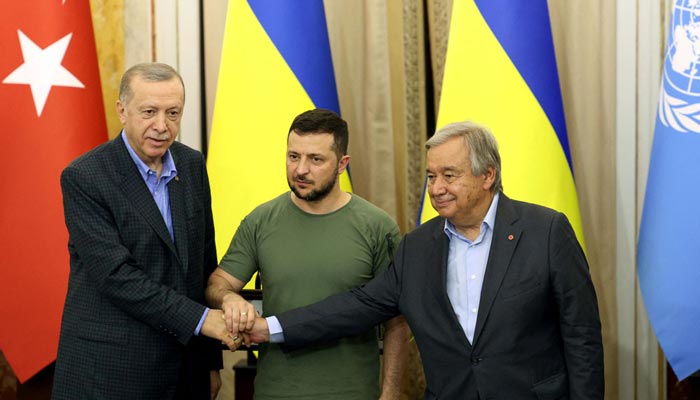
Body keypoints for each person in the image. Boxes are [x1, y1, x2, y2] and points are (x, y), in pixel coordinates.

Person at [242, 121, 605, 399]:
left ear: (487, 175)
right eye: (431, 176)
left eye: (450, 176)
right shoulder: (418, 247)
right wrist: (269, 328)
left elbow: (582, 337)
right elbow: (357, 305)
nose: (436, 188)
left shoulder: (545, 232)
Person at [52, 62, 238, 400]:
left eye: (173, 113)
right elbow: (117, 276)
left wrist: (210, 361)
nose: (161, 126)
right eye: (149, 112)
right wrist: (201, 320)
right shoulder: (85, 177)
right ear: (122, 111)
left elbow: (202, 263)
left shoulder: (192, 164)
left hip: (186, 368)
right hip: (112, 371)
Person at [205, 108, 410, 400]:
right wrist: (229, 299)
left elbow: (397, 321)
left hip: (353, 393)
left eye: (315, 159)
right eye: (293, 156)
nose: (301, 169)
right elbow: (217, 284)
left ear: (342, 164)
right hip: (274, 392)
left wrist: (391, 394)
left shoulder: (378, 227)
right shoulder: (260, 221)